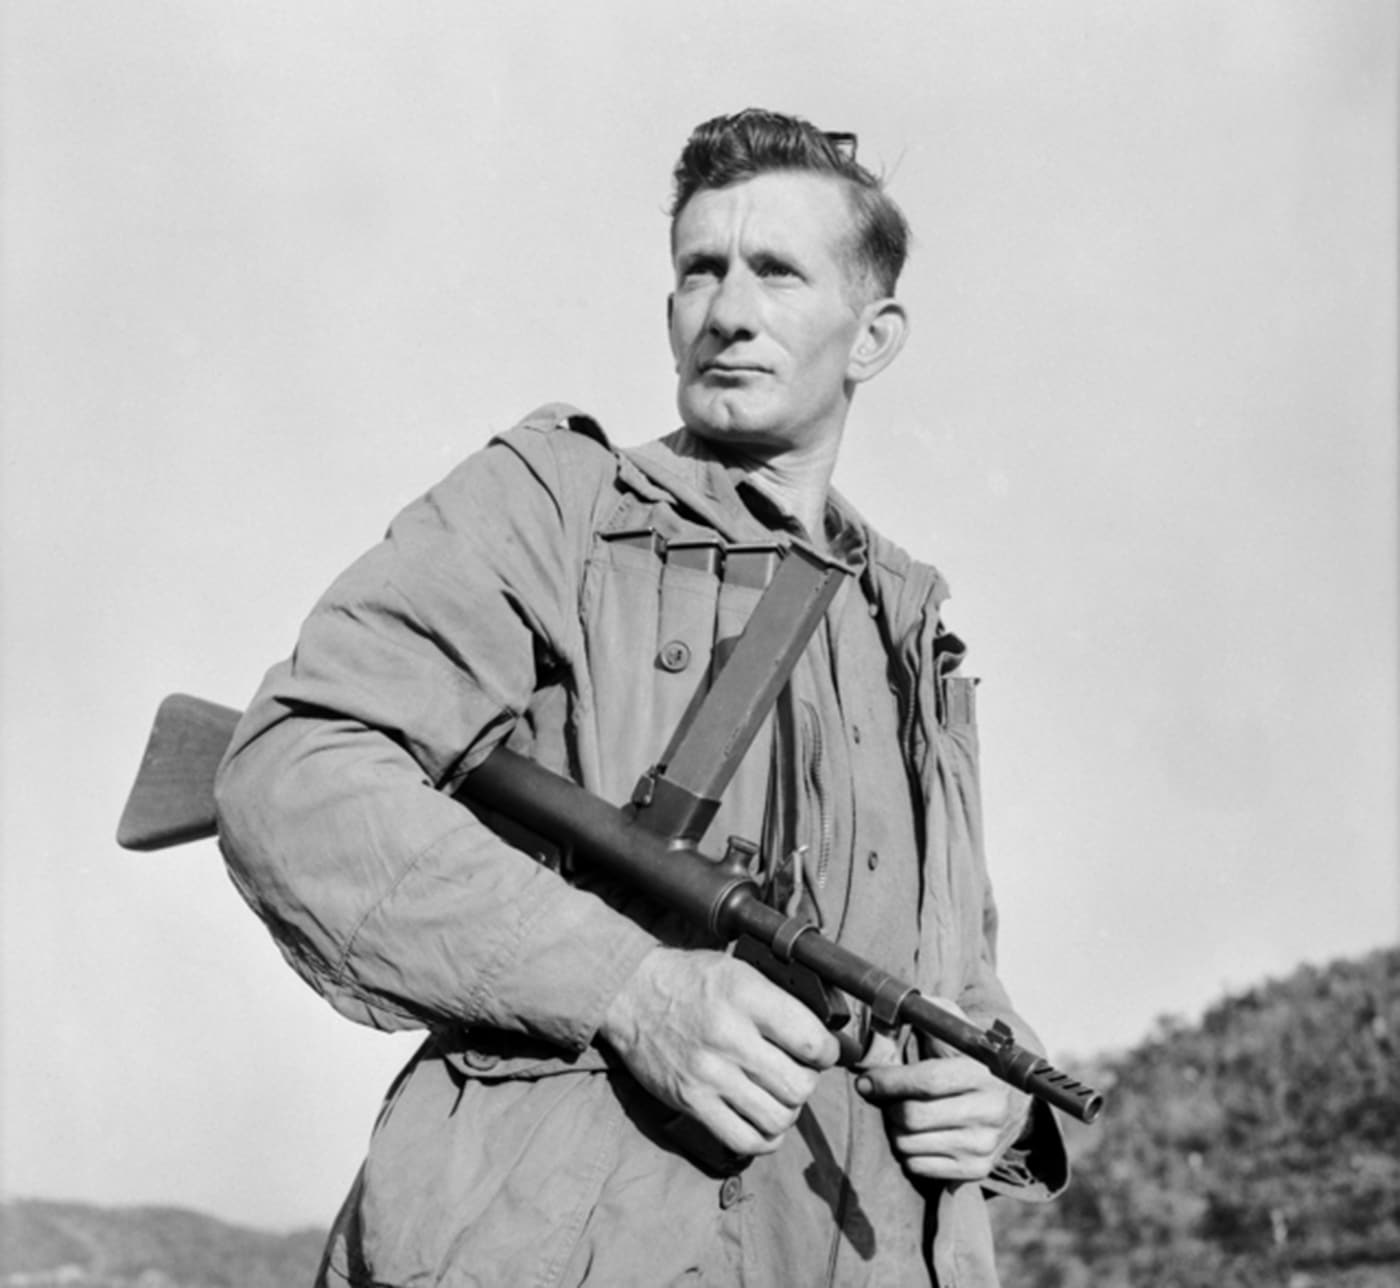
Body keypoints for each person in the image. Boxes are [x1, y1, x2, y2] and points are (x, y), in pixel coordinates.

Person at [215, 108, 1068, 1287]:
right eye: (697, 270)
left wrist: (1002, 1103)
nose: (724, 311)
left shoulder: (908, 628)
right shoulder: (552, 507)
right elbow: (294, 773)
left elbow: (951, 972)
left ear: (872, 337)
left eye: (774, 271)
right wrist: (625, 987)